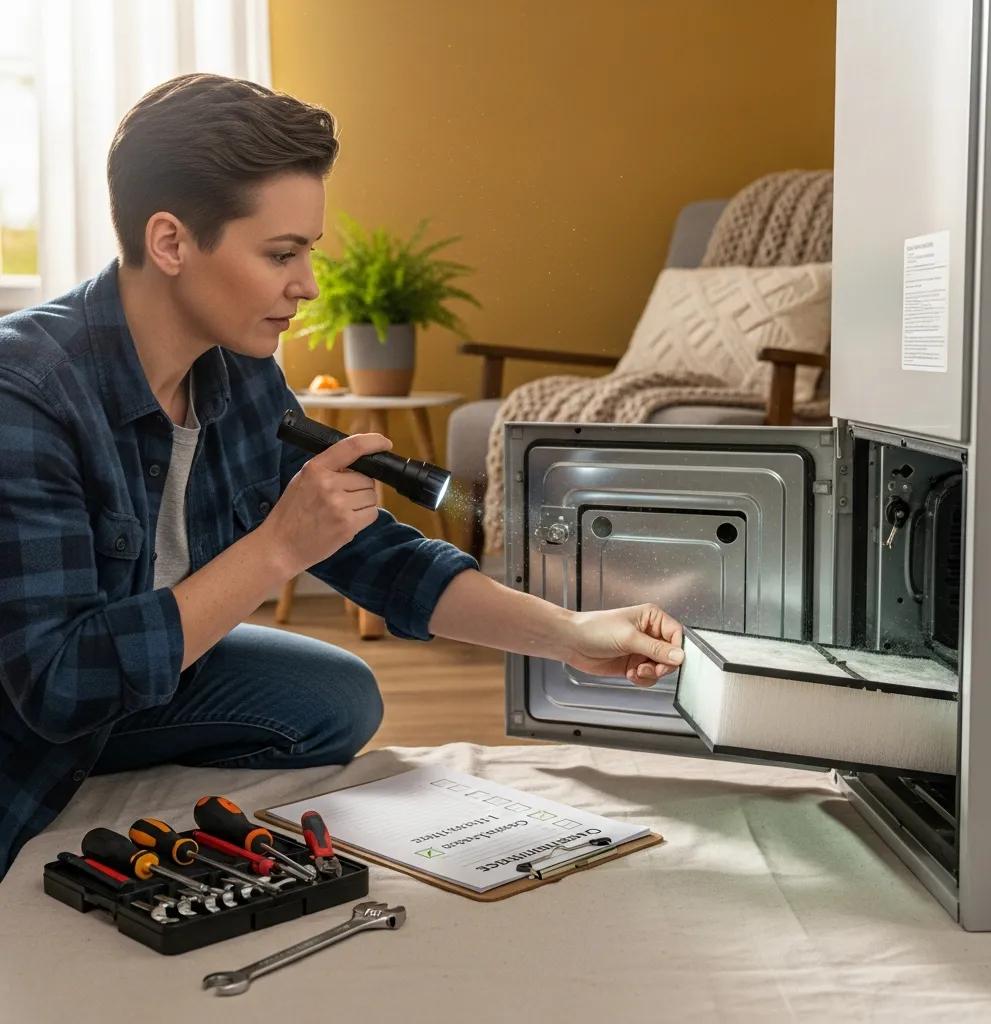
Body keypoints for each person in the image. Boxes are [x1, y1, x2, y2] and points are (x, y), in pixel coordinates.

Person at [0, 74, 684, 879]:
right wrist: (277, 547)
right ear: (171, 243)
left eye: (308, 252)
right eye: (281, 254)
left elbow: (378, 557)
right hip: (26, 713)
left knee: (334, 698)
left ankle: (126, 776)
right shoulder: (29, 393)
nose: (308, 286)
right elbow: (58, 685)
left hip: (127, 678)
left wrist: (570, 635)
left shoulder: (240, 371)